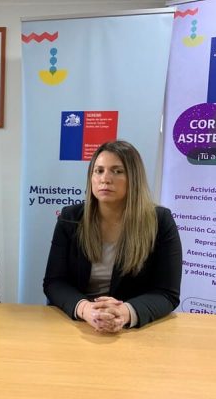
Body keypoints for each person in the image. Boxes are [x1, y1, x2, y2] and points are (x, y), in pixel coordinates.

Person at [43, 141, 182, 333]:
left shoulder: (160, 221)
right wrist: (86, 309)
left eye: (117, 171)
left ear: (134, 178)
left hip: (130, 329)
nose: (105, 179)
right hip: (77, 323)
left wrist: (125, 312)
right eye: (99, 171)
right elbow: (54, 282)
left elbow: (167, 293)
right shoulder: (70, 218)